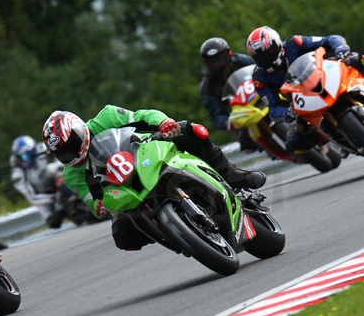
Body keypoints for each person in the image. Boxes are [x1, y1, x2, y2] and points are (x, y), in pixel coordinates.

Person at [41, 105, 266, 251]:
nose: (68, 154)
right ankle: (175, 234)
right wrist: (98, 207)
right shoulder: (72, 175)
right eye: (61, 152)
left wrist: (163, 123)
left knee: (190, 130)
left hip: (150, 152)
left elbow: (143, 115)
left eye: (70, 146)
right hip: (125, 193)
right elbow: (91, 200)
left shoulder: (106, 117)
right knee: (122, 236)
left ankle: (231, 174)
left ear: (79, 131)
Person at [246, 26, 364, 151]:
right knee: (294, 142)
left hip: (324, 75)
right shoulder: (259, 78)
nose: (266, 59)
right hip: (301, 101)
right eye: (260, 57)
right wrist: (286, 113)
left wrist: (341, 49)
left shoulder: (295, 43)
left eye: (268, 53)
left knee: (359, 60)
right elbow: (272, 108)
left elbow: (330, 40)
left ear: (276, 44)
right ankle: (336, 139)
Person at [199, 37, 261, 153]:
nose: (217, 65)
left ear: (228, 55)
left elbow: (263, 69)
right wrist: (229, 122)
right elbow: (215, 117)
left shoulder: (242, 61)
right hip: (241, 116)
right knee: (247, 144)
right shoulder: (207, 87)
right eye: (213, 63)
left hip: (262, 98)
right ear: (207, 64)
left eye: (220, 60)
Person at [9, 135, 72, 228]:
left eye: (31, 153)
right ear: (18, 157)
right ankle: (66, 212)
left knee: (56, 168)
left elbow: (62, 152)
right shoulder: (17, 175)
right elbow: (32, 197)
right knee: (53, 222)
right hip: (42, 195)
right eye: (24, 155)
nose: (29, 157)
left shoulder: (42, 148)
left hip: (52, 177)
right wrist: (55, 197)